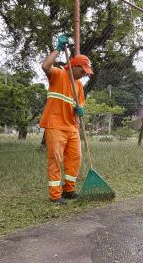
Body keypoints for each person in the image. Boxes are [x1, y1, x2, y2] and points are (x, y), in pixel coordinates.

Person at [39, 34, 93, 204]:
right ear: (74, 66)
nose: (84, 74)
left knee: (75, 158)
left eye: (86, 72)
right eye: (83, 71)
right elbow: (45, 66)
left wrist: (80, 110)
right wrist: (58, 49)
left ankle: (69, 190)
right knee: (55, 159)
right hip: (55, 125)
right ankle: (55, 195)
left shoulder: (79, 86)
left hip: (72, 127)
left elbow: (81, 106)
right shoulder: (58, 74)